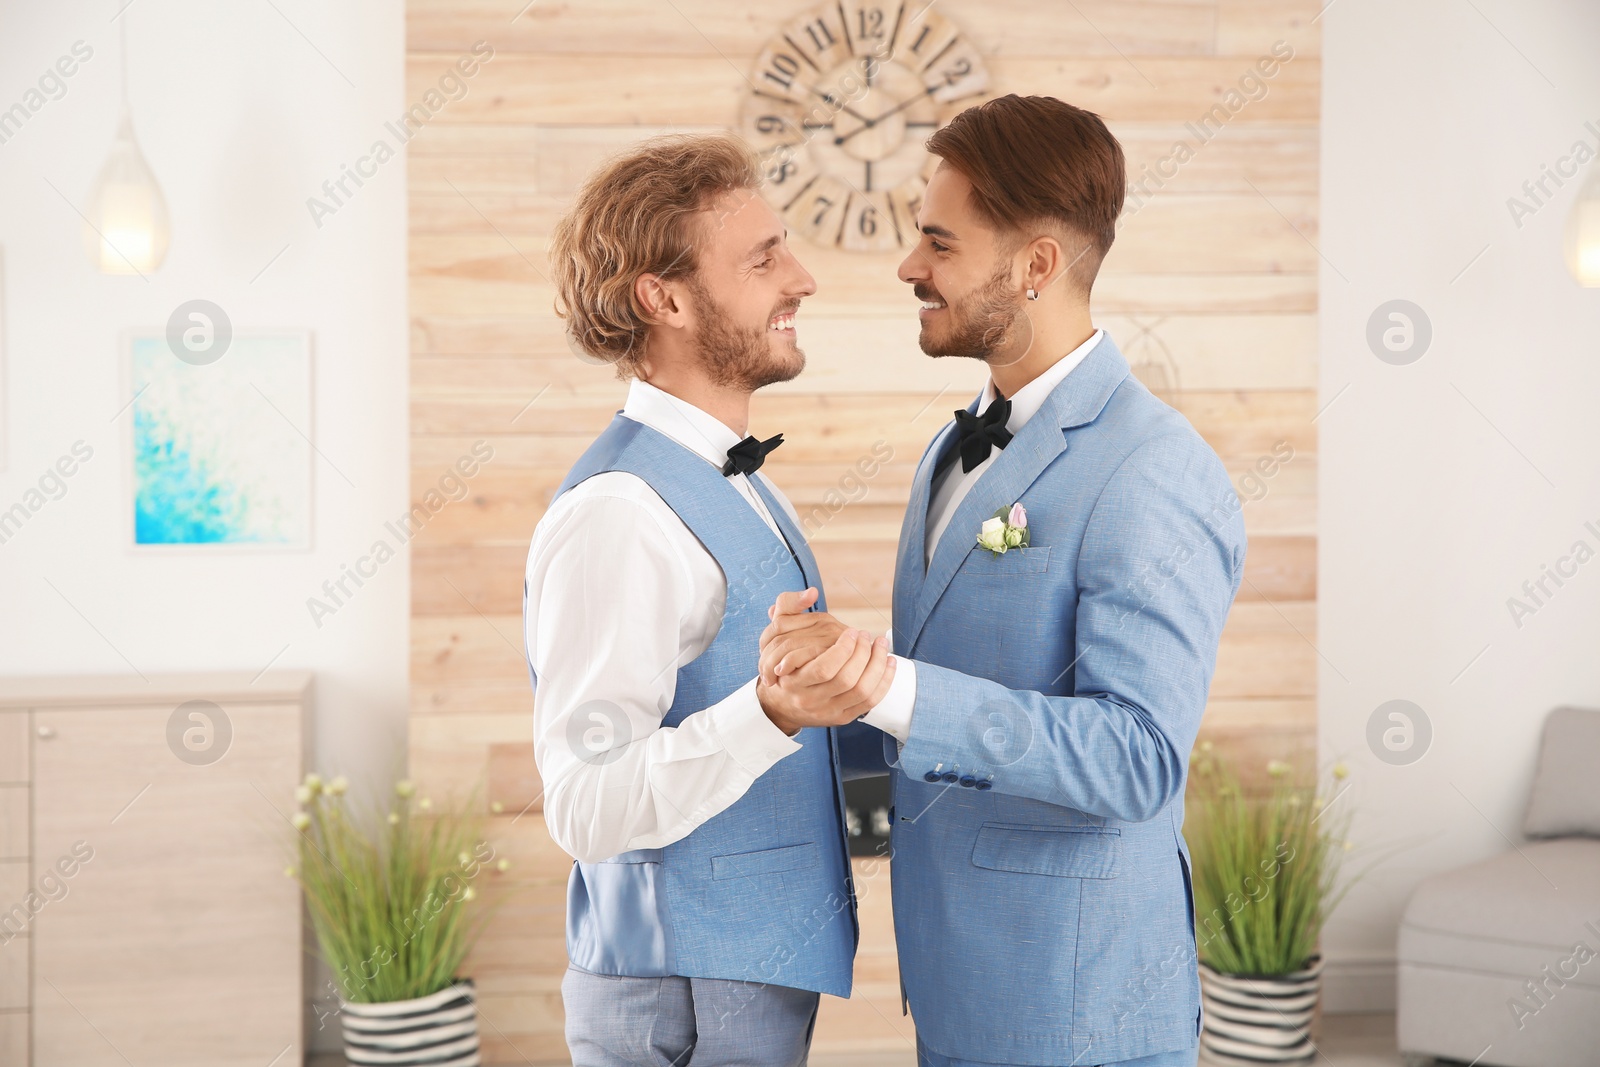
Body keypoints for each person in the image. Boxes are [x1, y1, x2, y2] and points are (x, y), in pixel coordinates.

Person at [758, 95, 1247, 1067]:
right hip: (957, 985)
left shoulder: (1153, 467)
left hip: (1080, 1009)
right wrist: (814, 693)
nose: (908, 268)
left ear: (1034, 267)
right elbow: (949, 696)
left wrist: (888, 684)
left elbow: (1137, 757)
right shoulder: (952, 446)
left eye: (937, 243)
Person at [523, 133, 908, 1067]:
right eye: (765, 257)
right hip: (678, 992)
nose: (803, 278)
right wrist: (771, 714)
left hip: (741, 977)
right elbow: (583, 803)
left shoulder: (730, 478)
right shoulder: (618, 512)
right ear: (666, 298)